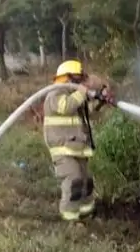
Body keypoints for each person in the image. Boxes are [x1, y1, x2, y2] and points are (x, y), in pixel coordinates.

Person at [42, 60, 113, 221]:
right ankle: (71, 219)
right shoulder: (55, 94)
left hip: (77, 147)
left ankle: (87, 212)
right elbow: (65, 107)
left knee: (86, 181)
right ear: (66, 78)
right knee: (74, 180)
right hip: (63, 149)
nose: (81, 82)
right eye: (77, 79)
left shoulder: (74, 96)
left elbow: (87, 112)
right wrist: (82, 92)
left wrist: (100, 101)